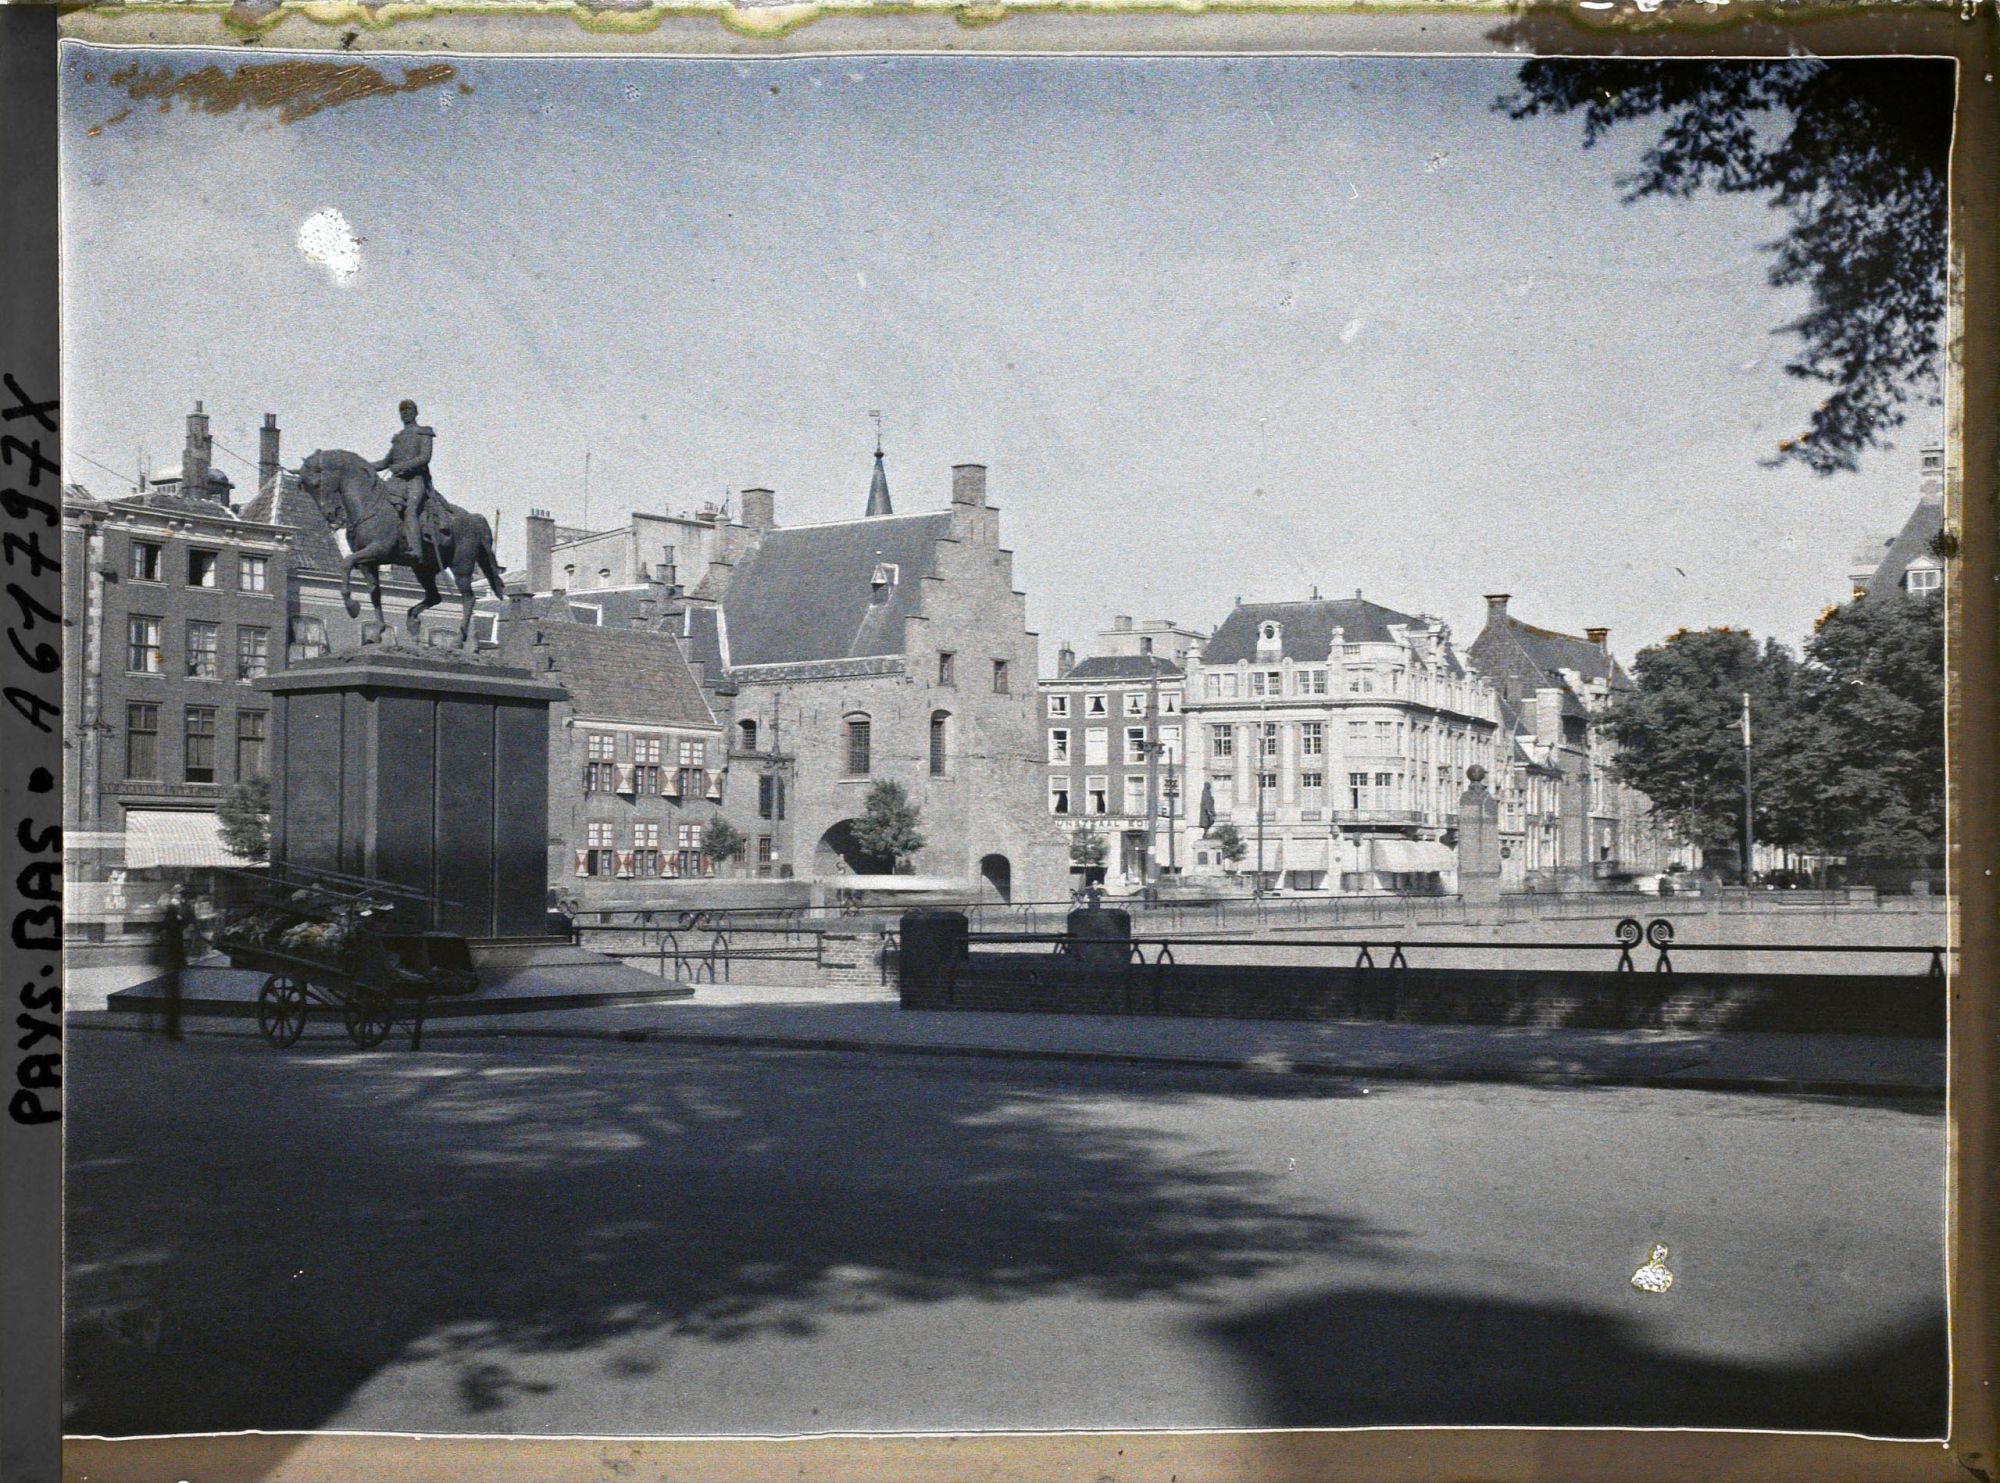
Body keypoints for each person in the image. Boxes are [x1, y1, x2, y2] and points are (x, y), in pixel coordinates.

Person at [371, 398, 439, 561]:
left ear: (415, 412)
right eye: (402, 411)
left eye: (408, 410)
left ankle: (416, 548)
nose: (405, 413)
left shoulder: (424, 432)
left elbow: (424, 457)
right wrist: (361, 466)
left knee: (411, 508)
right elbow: (385, 462)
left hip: (415, 479)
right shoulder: (398, 438)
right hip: (397, 481)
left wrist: (402, 467)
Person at [156, 886, 191, 1042]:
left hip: (170, 962)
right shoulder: (174, 919)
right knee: (173, 997)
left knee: (172, 997)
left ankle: (170, 1029)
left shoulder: (170, 919)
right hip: (172, 962)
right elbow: (184, 922)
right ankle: (171, 1030)